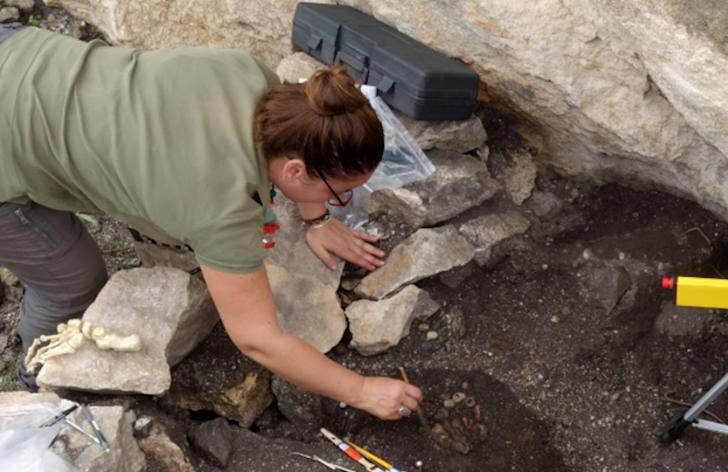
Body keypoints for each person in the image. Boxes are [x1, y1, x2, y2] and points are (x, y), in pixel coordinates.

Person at [0, 24, 422, 420]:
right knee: (71, 284)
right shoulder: (222, 208)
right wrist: (361, 390)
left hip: (21, 53)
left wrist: (316, 219)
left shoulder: (249, 75)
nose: (337, 203)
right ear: (295, 171)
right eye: (337, 193)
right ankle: (37, 388)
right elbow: (258, 337)